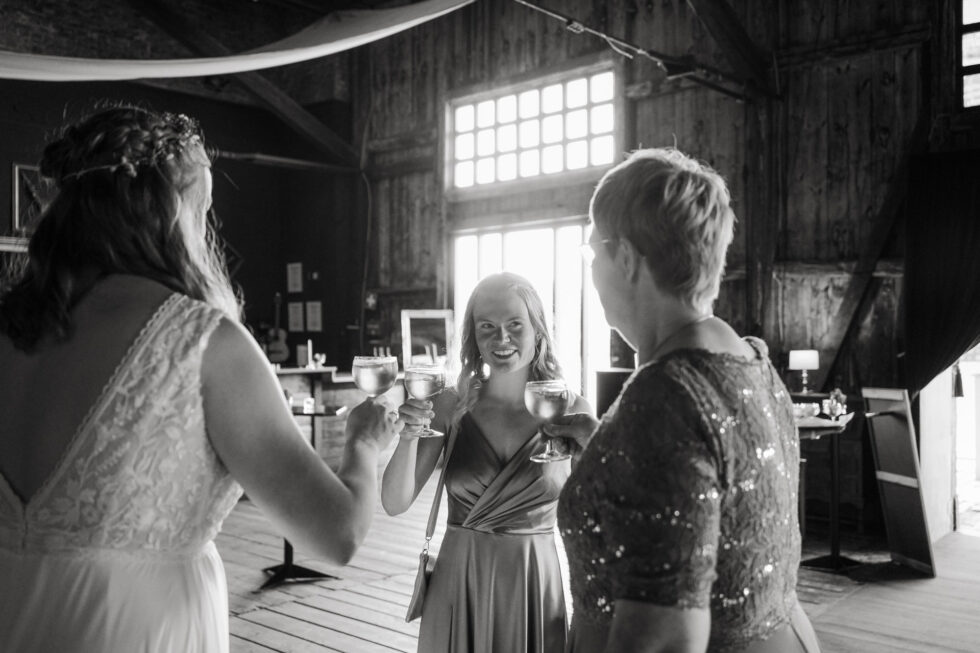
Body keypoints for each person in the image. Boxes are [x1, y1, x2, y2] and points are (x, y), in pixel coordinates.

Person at [0, 106, 401, 653]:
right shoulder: (200, 342)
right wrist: (364, 446)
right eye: (202, 208)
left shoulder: (10, 327)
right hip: (134, 631)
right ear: (166, 211)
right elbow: (338, 533)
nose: (204, 229)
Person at [551, 148, 821, 652]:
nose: (593, 271)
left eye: (594, 254)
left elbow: (665, 639)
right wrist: (605, 453)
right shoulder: (752, 362)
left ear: (626, 258)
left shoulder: (666, 398)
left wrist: (634, 439)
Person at [382, 272, 591, 653]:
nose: (502, 339)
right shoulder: (451, 405)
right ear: (473, 338)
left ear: (538, 329)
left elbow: (600, 513)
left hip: (533, 581)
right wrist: (409, 435)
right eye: (487, 327)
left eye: (515, 325)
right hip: (459, 580)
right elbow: (395, 503)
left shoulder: (572, 409)